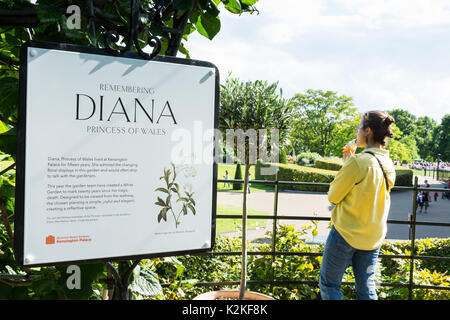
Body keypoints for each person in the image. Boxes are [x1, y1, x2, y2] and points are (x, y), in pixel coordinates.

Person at [319, 110, 396, 300]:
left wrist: (347, 165)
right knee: (367, 288)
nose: (356, 131)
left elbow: (333, 196)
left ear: (367, 131)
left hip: (346, 233)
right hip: (372, 237)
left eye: (359, 127)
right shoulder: (388, 163)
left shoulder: (358, 161)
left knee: (329, 285)